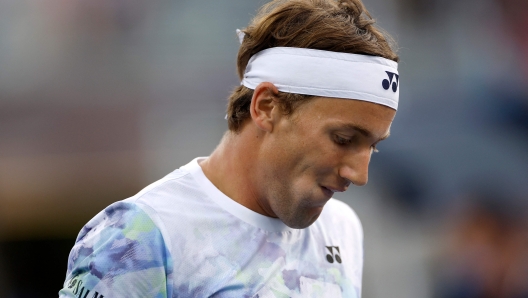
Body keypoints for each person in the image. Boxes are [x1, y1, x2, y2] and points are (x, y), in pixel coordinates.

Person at [59, 0, 400, 297]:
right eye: (343, 139)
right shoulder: (136, 238)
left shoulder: (342, 227)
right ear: (266, 107)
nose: (359, 174)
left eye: (373, 146)